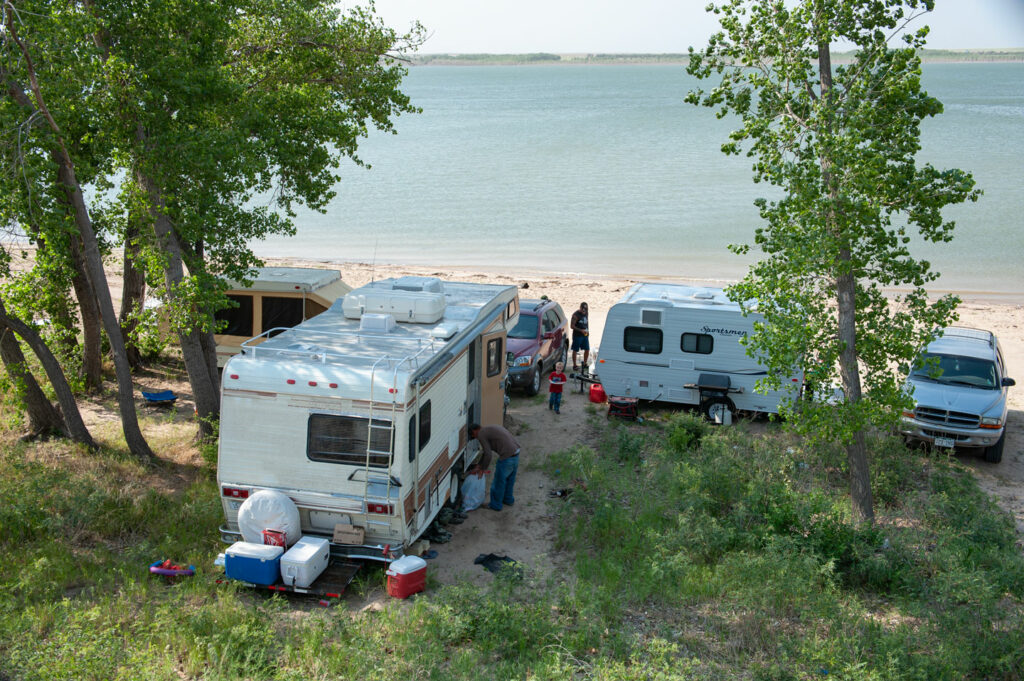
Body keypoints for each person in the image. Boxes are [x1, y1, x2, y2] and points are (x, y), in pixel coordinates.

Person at [469, 423, 521, 511]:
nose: (476, 438)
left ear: (475, 430)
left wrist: (482, 469)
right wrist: (479, 464)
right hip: (516, 453)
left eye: (473, 436)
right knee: (509, 480)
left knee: (498, 482)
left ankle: (495, 505)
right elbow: (486, 452)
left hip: (507, 457)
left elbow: (488, 455)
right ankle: (508, 500)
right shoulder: (490, 428)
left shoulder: (481, 433)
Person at [570, 302, 590, 371]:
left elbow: (587, 322)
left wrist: (588, 331)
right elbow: (572, 326)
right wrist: (580, 330)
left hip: (585, 334)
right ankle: (574, 365)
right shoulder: (575, 315)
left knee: (587, 349)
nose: (584, 311)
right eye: (583, 309)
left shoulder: (586, 313)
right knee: (575, 350)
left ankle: (584, 363)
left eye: (586, 309)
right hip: (577, 335)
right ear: (580, 308)